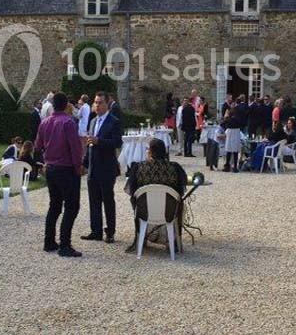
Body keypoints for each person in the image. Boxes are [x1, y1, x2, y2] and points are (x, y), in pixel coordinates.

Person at [34, 92, 84, 258]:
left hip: (51, 168)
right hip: (66, 169)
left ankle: (49, 241)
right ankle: (65, 244)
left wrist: (44, 162)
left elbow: (38, 146)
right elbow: (75, 148)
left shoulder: (45, 122)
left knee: (54, 205)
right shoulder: (68, 122)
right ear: (67, 105)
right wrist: (79, 167)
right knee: (71, 206)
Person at [123, 138, 187, 253]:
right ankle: (174, 241)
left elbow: (132, 192)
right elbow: (181, 191)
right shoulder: (175, 167)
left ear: (150, 152)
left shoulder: (138, 167)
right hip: (169, 211)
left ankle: (142, 238)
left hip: (145, 211)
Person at [82, 92, 123, 244]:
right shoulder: (92, 121)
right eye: (95, 102)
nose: (97, 105)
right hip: (93, 167)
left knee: (108, 201)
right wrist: (84, 163)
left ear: (107, 104)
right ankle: (96, 231)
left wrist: (99, 141)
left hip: (106, 168)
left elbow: (117, 143)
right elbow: (90, 145)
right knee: (94, 201)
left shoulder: (114, 121)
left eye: (100, 103)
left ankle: (110, 232)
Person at [222, 107, 242, 172]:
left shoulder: (229, 119)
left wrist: (226, 118)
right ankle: (234, 166)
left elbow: (223, 124)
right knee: (234, 151)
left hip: (231, 133)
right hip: (235, 133)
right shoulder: (238, 119)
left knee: (229, 150)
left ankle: (228, 166)